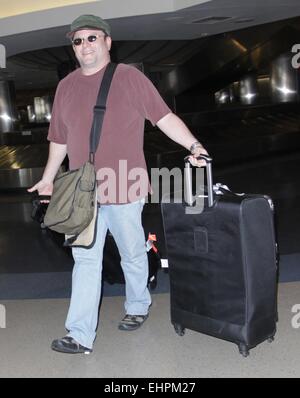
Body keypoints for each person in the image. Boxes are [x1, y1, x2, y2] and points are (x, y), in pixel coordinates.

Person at [28, 14, 209, 354]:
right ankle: (79, 334)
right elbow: (59, 140)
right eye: (78, 40)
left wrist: (194, 146)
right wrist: (48, 178)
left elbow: (164, 117)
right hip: (83, 194)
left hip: (126, 185)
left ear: (108, 42)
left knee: (131, 253)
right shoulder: (65, 87)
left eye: (92, 38)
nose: (85, 46)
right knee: (85, 261)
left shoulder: (129, 78)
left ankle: (138, 305)